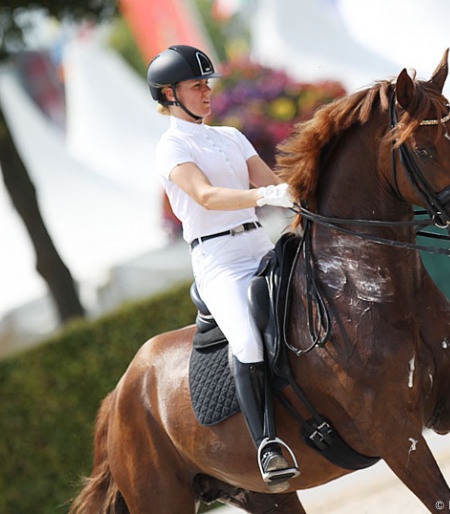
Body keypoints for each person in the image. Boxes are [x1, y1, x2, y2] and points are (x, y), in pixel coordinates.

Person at [146, 45, 299, 490]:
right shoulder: (171, 146)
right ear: (170, 94)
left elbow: (273, 184)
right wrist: (263, 197)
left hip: (258, 242)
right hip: (219, 260)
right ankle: (267, 443)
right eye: (197, 86)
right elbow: (207, 196)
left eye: (207, 84)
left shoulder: (231, 137)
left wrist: (299, 195)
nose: (207, 92)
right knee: (248, 338)